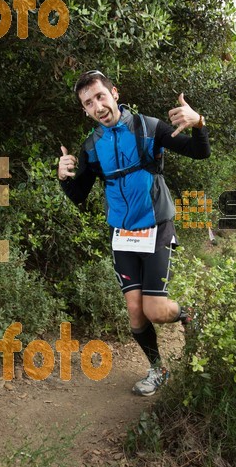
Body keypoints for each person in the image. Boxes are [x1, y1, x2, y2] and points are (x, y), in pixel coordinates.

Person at [57, 70, 211, 396]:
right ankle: (158, 369)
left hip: (156, 227)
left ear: (114, 93)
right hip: (123, 234)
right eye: (88, 102)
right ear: (85, 110)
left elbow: (200, 152)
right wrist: (64, 177)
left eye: (100, 96)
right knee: (135, 311)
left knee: (155, 310)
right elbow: (78, 195)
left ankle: (188, 314)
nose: (97, 106)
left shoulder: (149, 128)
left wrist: (198, 123)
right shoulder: (92, 147)